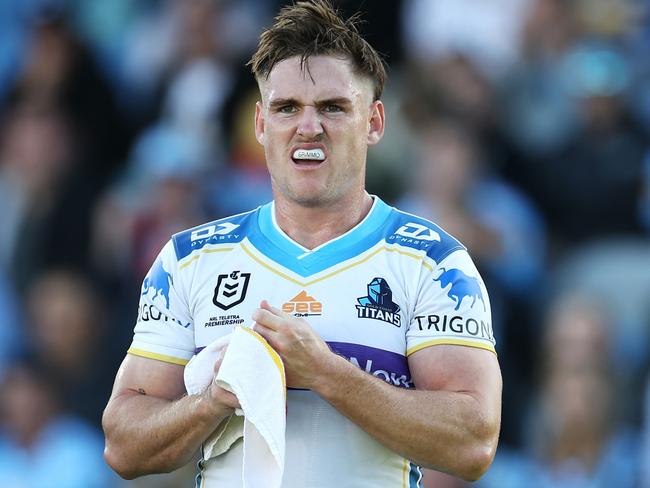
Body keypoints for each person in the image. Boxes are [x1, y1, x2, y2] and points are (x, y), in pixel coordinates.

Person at [102, 1, 502, 486]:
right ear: (260, 124)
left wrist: (326, 374)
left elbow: (473, 443)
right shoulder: (190, 260)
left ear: (374, 122)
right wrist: (215, 400)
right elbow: (122, 443)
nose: (308, 127)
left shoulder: (432, 261)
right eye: (287, 107)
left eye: (333, 108)